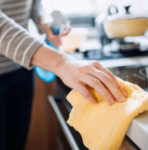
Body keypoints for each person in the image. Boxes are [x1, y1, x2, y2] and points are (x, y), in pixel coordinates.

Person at [0, 0, 127, 150]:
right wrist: (61, 62)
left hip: (22, 68)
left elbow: (33, 3)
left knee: (15, 143)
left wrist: (44, 20)